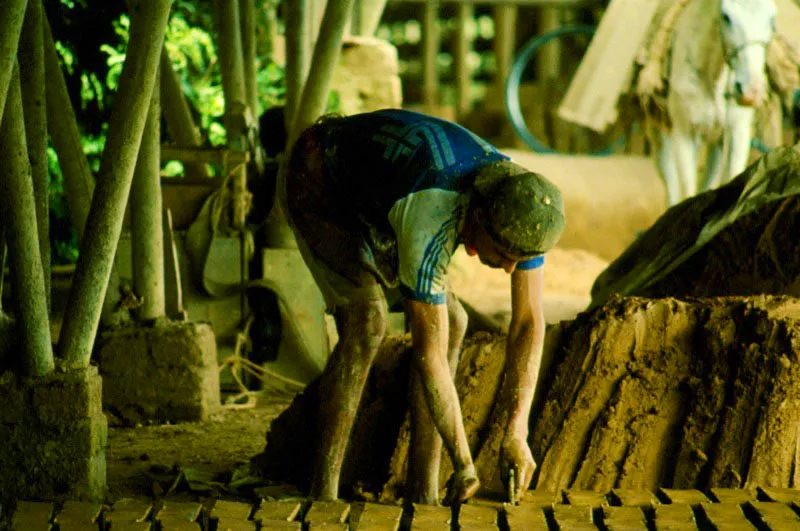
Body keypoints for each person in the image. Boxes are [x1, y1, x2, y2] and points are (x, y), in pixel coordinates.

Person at [283, 108, 565, 505]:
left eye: (520, 260)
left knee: (453, 316)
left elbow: (527, 322)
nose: (509, 269)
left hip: (383, 190)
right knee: (367, 322)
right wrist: (465, 463)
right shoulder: (433, 211)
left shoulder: (526, 204)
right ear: (477, 219)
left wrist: (517, 432)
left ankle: (424, 489)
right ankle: (323, 491)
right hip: (321, 180)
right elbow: (428, 354)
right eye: (502, 255)